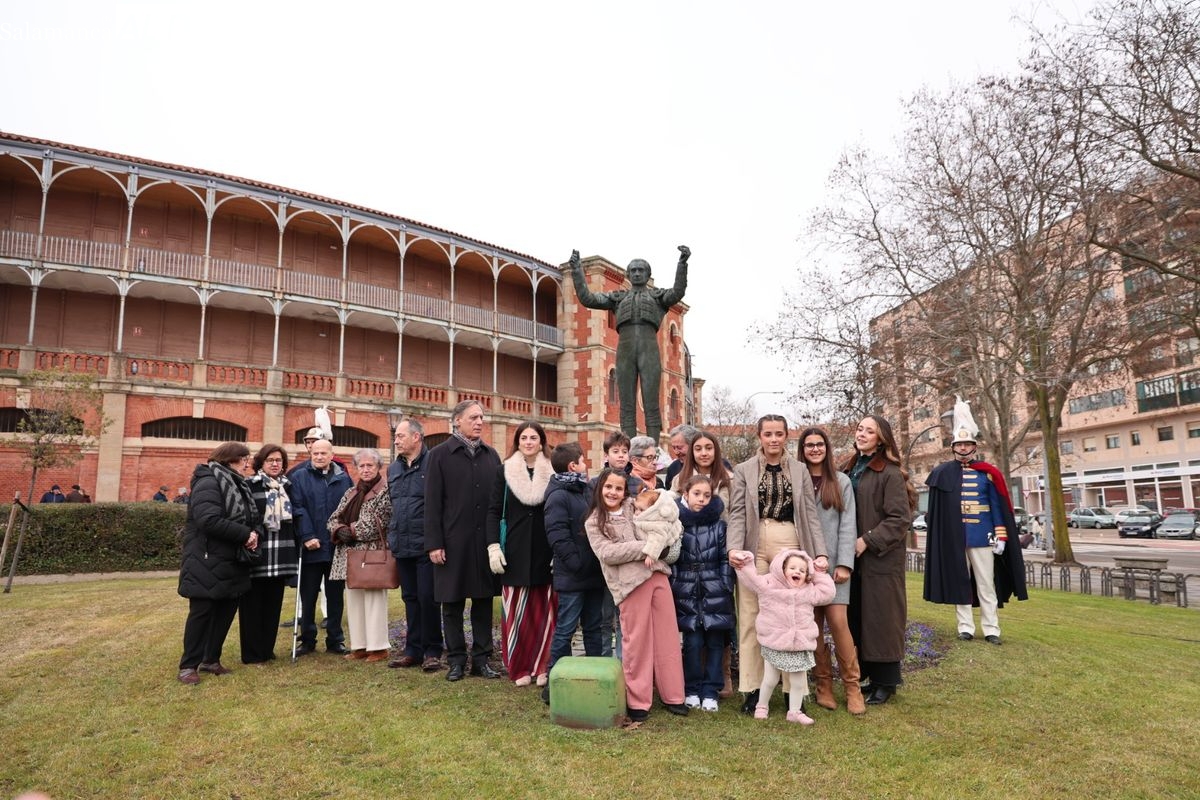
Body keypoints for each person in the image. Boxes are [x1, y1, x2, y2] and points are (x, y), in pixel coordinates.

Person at [727, 414, 829, 715]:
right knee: (750, 614)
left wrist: (819, 552)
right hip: (754, 542)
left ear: (786, 437)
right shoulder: (744, 470)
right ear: (759, 436)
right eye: (768, 434)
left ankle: (791, 690)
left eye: (779, 434)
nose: (773, 439)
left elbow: (810, 514)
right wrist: (734, 548)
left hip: (790, 541)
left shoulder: (799, 470)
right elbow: (736, 513)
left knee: (792, 614)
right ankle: (752, 687)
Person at [586, 467, 688, 722]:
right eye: (608, 487)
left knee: (667, 639)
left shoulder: (636, 506)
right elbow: (608, 553)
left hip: (657, 576)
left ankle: (674, 695)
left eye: (618, 488)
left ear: (625, 492)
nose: (613, 492)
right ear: (600, 488)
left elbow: (666, 510)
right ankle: (638, 700)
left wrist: (662, 543)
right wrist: (646, 547)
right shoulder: (594, 521)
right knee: (636, 643)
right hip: (629, 585)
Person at [924, 398, 1028, 646]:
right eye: (958, 444)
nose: (962, 448)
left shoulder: (987, 473)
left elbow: (997, 507)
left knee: (986, 583)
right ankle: (965, 627)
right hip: (956, 538)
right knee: (961, 583)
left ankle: (992, 628)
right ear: (953, 447)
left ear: (974, 446)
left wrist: (1000, 536)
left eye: (966, 444)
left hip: (982, 536)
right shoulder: (942, 473)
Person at [568, 245, 690, 441]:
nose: (637, 274)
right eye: (633, 270)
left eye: (641, 270)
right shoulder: (617, 298)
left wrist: (682, 264)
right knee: (626, 404)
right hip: (625, 350)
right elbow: (588, 298)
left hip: (649, 349)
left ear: (648, 273)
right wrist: (577, 271)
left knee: (651, 402)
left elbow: (677, 291)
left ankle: (653, 448)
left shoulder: (657, 297)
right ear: (628, 275)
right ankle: (629, 446)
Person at [425, 400, 502, 682]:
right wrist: (434, 543)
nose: (479, 422)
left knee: (483, 603)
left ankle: (481, 660)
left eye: (482, 417)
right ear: (457, 421)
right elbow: (431, 503)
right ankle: (456, 660)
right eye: (473, 417)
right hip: (452, 542)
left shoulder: (492, 456)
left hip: (484, 544)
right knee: (452, 603)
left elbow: (498, 503)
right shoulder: (439, 455)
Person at [841, 414, 916, 706]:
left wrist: (867, 540)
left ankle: (886, 681)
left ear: (881, 438)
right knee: (860, 616)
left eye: (869, 431)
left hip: (881, 558)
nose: (862, 434)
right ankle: (868, 677)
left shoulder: (890, 472)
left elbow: (899, 519)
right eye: (859, 429)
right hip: (854, 557)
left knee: (883, 618)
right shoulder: (850, 466)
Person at [176, 442, 260, 684]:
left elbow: (247, 516)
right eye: (244, 459)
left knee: (225, 611)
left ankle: (211, 659)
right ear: (229, 459)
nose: (247, 463)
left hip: (232, 560)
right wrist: (244, 534)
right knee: (202, 613)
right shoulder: (209, 481)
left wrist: (252, 533)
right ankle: (188, 665)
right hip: (206, 559)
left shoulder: (237, 484)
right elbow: (208, 519)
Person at [799, 426, 864, 715]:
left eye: (819, 444)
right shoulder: (796, 481)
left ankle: (853, 687)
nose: (814, 449)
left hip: (836, 566)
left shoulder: (841, 481)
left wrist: (845, 563)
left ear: (827, 448)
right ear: (801, 450)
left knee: (838, 623)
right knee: (812, 627)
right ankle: (823, 684)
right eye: (809, 445)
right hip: (803, 567)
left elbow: (849, 523)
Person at [486, 421, 556, 687]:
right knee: (516, 612)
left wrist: (557, 550)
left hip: (544, 549)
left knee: (544, 613)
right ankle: (519, 666)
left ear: (541, 441)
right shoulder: (504, 471)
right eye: (524, 437)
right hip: (513, 550)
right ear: (517, 442)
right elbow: (493, 511)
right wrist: (493, 545)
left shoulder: (552, 471)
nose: (528, 442)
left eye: (534, 437)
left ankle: (542, 666)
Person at [731, 548, 835, 724]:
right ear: (782, 569)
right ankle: (762, 706)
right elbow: (751, 580)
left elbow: (828, 593)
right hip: (775, 641)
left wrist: (818, 573)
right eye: (792, 568)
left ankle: (794, 712)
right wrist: (747, 562)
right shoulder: (769, 585)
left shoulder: (809, 590)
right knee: (770, 679)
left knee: (797, 682)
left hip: (799, 643)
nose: (797, 572)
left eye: (802, 570)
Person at [670, 429, 735, 698]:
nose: (704, 453)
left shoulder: (729, 478)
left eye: (709, 447)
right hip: (688, 562)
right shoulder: (677, 479)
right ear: (691, 451)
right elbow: (670, 517)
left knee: (719, 622)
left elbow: (736, 515)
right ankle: (693, 684)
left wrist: (726, 574)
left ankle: (723, 676)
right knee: (693, 633)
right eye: (699, 448)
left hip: (720, 550)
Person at [542, 441, 604, 705]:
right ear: (573, 466)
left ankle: (596, 678)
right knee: (566, 629)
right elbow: (557, 536)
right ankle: (554, 681)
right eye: (583, 460)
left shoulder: (586, 490)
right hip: (573, 576)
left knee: (594, 628)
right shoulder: (558, 495)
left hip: (593, 574)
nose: (586, 465)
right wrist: (578, 563)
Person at [386, 418, 443, 672]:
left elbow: (442, 504)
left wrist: (438, 541)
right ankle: (413, 650)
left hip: (426, 544)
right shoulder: (393, 469)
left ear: (417, 437)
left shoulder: (434, 464)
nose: (396, 440)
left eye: (400, 435)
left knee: (428, 597)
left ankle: (433, 650)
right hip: (402, 542)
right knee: (410, 597)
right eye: (395, 436)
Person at [289, 438, 353, 655]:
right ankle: (307, 640)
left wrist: (345, 533)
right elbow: (297, 509)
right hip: (311, 547)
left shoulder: (343, 478)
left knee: (335, 596)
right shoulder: (298, 477)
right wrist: (307, 535)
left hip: (336, 547)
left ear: (331, 454)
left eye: (323, 453)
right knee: (308, 596)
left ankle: (335, 640)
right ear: (310, 453)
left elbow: (350, 509)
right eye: (315, 453)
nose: (318, 457)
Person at [329, 448, 393, 662]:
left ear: (378, 467)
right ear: (356, 468)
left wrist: (351, 530)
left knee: (374, 600)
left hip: (372, 554)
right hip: (349, 554)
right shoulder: (351, 492)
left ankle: (378, 647)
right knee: (354, 600)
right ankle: (359, 646)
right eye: (361, 466)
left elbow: (379, 524)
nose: (365, 470)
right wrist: (340, 530)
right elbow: (333, 519)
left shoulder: (385, 490)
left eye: (370, 465)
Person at [240, 445, 299, 664]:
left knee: (273, 605)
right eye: (270, 460)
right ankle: (252, 653)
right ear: (260, 463)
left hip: (282, 552)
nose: (275, 464)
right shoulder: (249, 485)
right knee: (253, 605)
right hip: (259, 552)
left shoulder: (289, 487)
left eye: (279, 460)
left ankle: (267, 649)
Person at [664, 424, 699, 489]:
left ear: (693, 444)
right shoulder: (673, 468)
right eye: (674, 448)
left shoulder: (717, 465)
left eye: (679, 447)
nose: (676, 452)